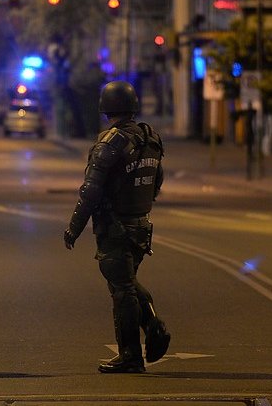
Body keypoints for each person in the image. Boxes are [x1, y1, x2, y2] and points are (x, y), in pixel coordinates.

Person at [63, 80, 171, 374]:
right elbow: (156, 181)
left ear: (105, 107)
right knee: (127, 282)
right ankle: (153, 327)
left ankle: (131, 355)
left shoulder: (111, 142)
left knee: (122, 290)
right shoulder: (150, 138)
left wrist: (74, 227)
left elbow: (91, 191)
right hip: (140, 225)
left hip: (115, 227)